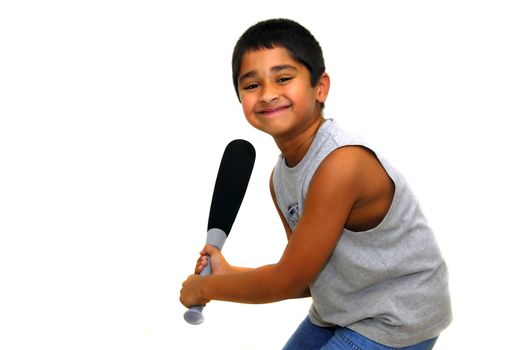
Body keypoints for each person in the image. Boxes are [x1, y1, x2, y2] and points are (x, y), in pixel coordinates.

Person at [180, 18, 452, 349]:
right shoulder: (280, 177)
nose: (267, 94)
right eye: (251, 85)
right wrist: (227, 273)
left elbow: (288, 280)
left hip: (396, 317)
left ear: (320, 87)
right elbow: (305, 279)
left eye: (283, 78)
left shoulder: (341, 164)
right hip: (342, 307)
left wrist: (205, 289)